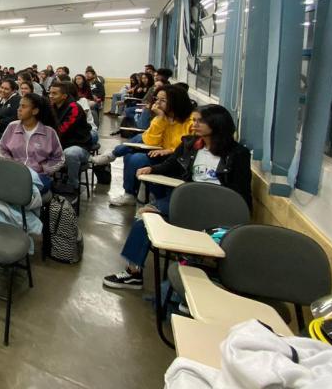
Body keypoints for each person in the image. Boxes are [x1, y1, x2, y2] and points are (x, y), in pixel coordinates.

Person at [102, 105, 252, 290]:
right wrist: (153, 168)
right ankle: (133, 273)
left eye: (199, 121)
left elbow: (241, 192)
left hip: (217, 208)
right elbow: (172, 164)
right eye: (193, 120)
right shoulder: (191, 144)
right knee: (144, 217)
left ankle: (188, 278)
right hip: (188, 200)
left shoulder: (237, 154)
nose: (194, 125)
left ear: (217, 123)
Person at [95, 85, 195, 206]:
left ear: (177, 102)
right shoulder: (163, 117)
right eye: (157, 99)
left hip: (178, 160)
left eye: (162, 100)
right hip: (158, 152)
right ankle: (129, 194)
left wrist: (170, 151)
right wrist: (160, 118)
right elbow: (150, 141)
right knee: (131, 156)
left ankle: (112, 154)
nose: (157, 103)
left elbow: (190, 146)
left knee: (136, 155)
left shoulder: (191, 121)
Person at [0, 93, 65, 193]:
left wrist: (44, 169)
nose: (18, 109)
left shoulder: (49, 132)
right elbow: (1, 149)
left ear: (35, 111)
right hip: (14, 172)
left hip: (38, 177)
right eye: (19, 105)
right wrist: (11, 164)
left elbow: (59, 158)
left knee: (21, 191)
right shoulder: (12, 126)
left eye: (23, 106)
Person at [49, 82, 95, 195]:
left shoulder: (74, 108)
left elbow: (62, 130)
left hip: (79, 145)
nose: (50, 96)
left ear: (64, 96)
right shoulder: (52, 106)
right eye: (50, 93)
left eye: (54, 93)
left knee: (70, 153)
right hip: (62, 144)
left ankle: (72, 185)